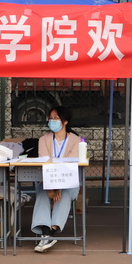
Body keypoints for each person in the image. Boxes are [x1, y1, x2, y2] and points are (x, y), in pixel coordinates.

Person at [31, 105, 81, 253]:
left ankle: (50, 233)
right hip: (48, 180)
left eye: (56, 118)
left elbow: (70, 166)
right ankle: (46, 232)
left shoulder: (76, 140)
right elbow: (45, 163)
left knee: (64, 194)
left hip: (68, 182)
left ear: (65, 122)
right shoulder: (44, 139)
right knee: (42, 193)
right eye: (50, 118)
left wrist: (58, 188)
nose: (52, 121)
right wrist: (50, 187)